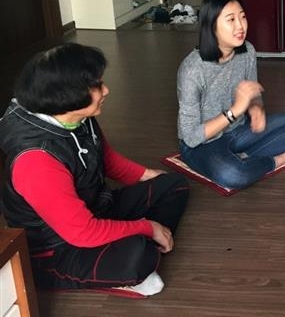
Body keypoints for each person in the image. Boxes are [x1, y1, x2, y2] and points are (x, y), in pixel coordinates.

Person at [0, 43, 189, 297]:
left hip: (95, 207)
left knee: (174, 185)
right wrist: (148, 227)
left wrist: (146, 176)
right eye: (97, 85)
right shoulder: (36, 161)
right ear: (67, 96)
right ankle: (135, 253)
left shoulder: (75, 116)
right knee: (138, 256)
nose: (106, 89)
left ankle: (131, 246)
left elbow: (105, 157)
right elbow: (81, 231)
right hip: (58, 247)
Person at [177, 0, 285, 189]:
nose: (240, 26)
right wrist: (235, 110)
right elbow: (190, 137)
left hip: (238, 131)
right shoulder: (192, 70)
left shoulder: (247, 51)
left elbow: (253, 93)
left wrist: (256, 108)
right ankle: (282, 158)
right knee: (232, 175)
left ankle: (244, 158)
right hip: (203, 143)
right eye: (231, 20)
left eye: (242, 17)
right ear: (212, 26)